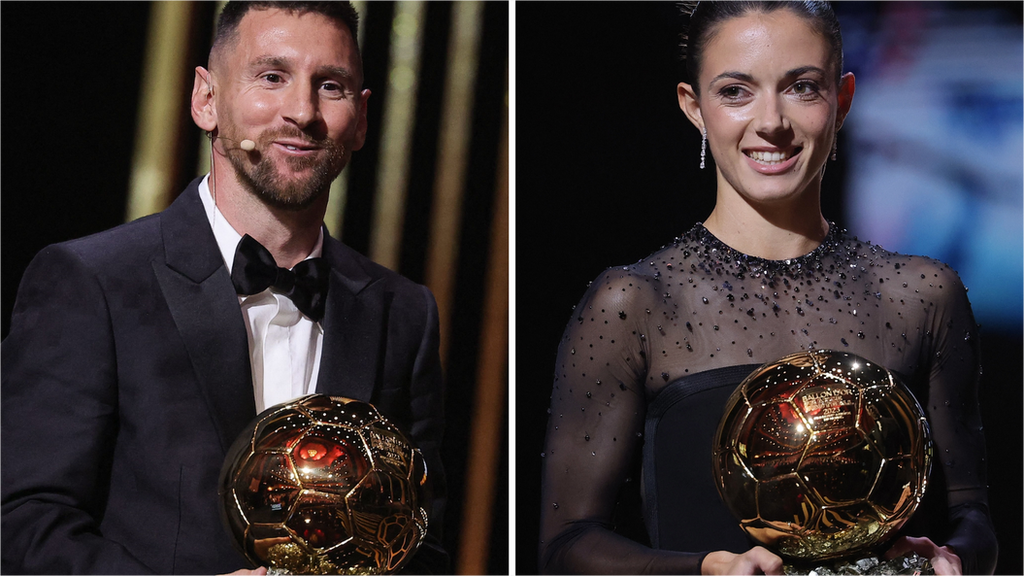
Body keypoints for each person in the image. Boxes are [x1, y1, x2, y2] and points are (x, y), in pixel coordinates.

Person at [538, 1, 997, 576]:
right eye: (735, 91)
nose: (771, 122)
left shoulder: (923, 295)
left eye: (802, 87)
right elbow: (565, 546)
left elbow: (971, 515)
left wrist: (951, 559)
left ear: (843, 100)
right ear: (694, 107)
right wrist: (706, 570)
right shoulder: (635, 302)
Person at [0, 1, 446, 575]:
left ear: (360, 119)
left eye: (329, 86)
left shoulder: (403, 313)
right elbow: (23, 522)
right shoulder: (91, 283)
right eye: (271, 77)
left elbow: (420, 541)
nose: (301, 111)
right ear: (205, 99)